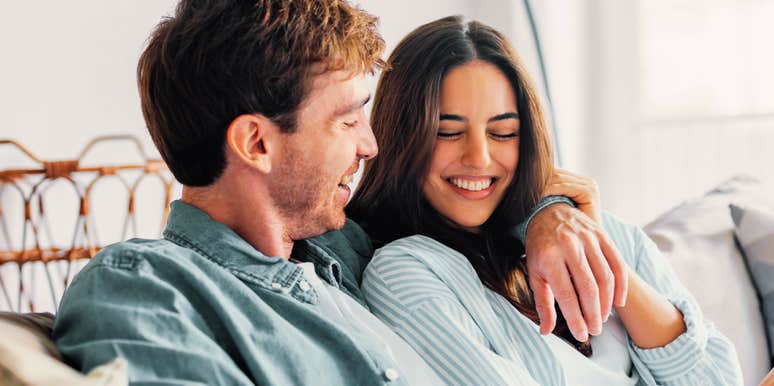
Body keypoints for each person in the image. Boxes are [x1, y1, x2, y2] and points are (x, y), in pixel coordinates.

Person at [54, 1, 626, 384]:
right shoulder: (146, 288)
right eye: (348, 121)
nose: (371, 146)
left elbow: (481, 191)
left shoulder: (351, 247)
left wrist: (546, 213)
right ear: (256, 142)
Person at [349, 16, 743, 385]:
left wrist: (561, 224)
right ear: (403, 138)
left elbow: (718, 377)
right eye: (447, 132)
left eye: (503, 133)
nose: (479, 158)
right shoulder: (405, 271)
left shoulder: (611, 234)